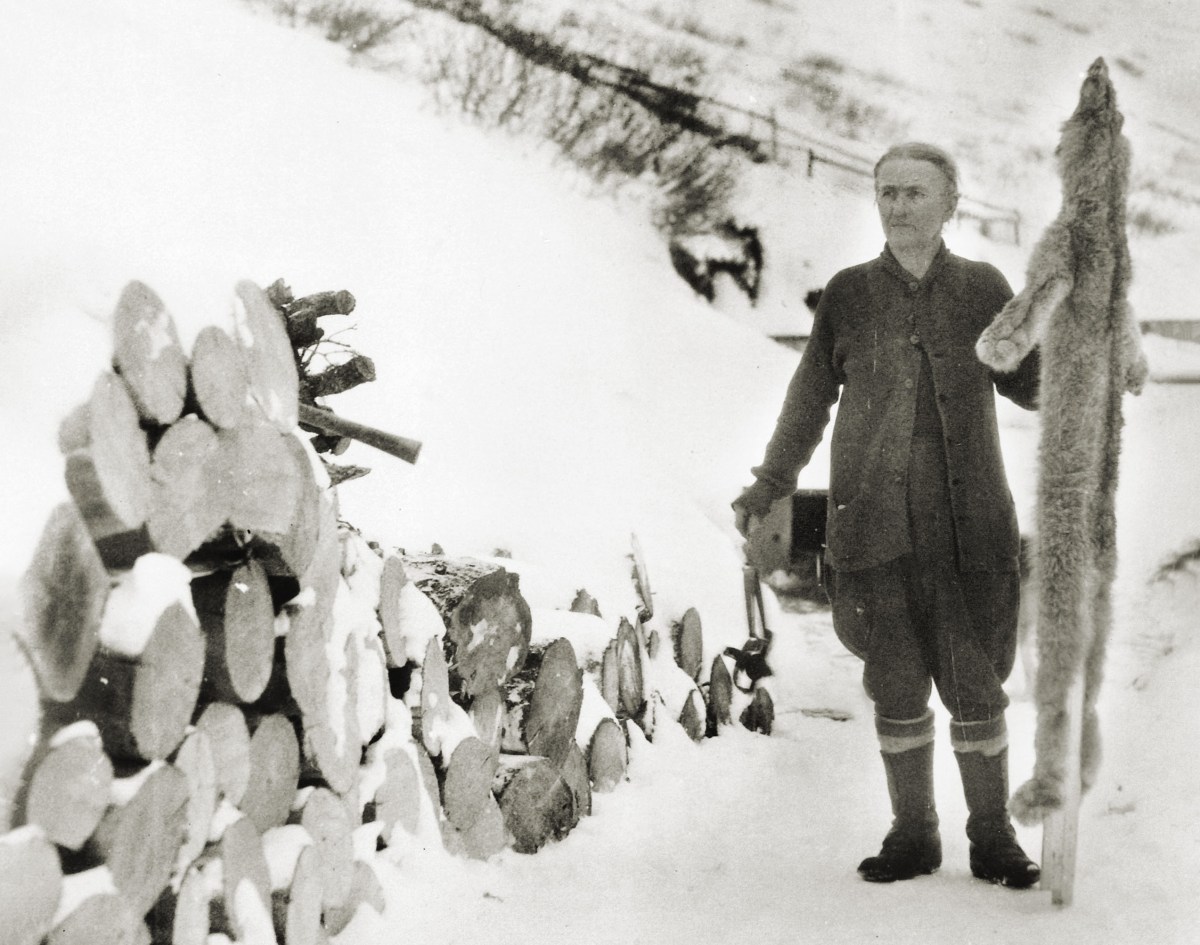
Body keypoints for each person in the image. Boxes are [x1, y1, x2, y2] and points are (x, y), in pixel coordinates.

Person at [733, 142, 1041, 889]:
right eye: (888, 193)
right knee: (896, 685)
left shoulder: (983, 288)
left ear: (951, 204)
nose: (899, 206)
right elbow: (808, 401)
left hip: (968, 534)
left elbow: (1032, 385)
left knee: (975, 685)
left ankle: (993, 836)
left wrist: (1079, 362)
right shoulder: (848, 294)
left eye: (915, 193)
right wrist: (770, 483)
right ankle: (913, 832)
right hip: (872, 532)